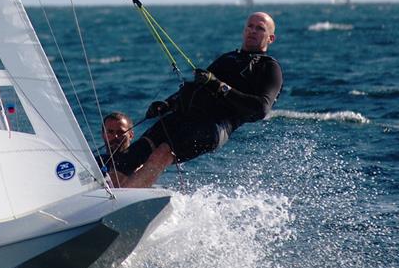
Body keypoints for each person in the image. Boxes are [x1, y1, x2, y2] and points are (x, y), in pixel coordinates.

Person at [111, 11, 283, 188]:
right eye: (250, 26)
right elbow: (196, 87)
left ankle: (121, 200)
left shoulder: (269, 68)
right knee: (133, 154)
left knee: (161, 153)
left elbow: (261, 109)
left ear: (271, 38)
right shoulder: (228, 58)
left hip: (214, 126)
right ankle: (106, 195)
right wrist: (168, 104)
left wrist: (220, 86)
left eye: (260, 28)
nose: (253, 31)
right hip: (185, 117)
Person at [95, 111, 173, 188]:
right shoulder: (96, 163)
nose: (115, 136)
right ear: (103, 135)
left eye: (120, 132)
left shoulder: (143, 162)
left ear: (131, 135)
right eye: (110, 132)